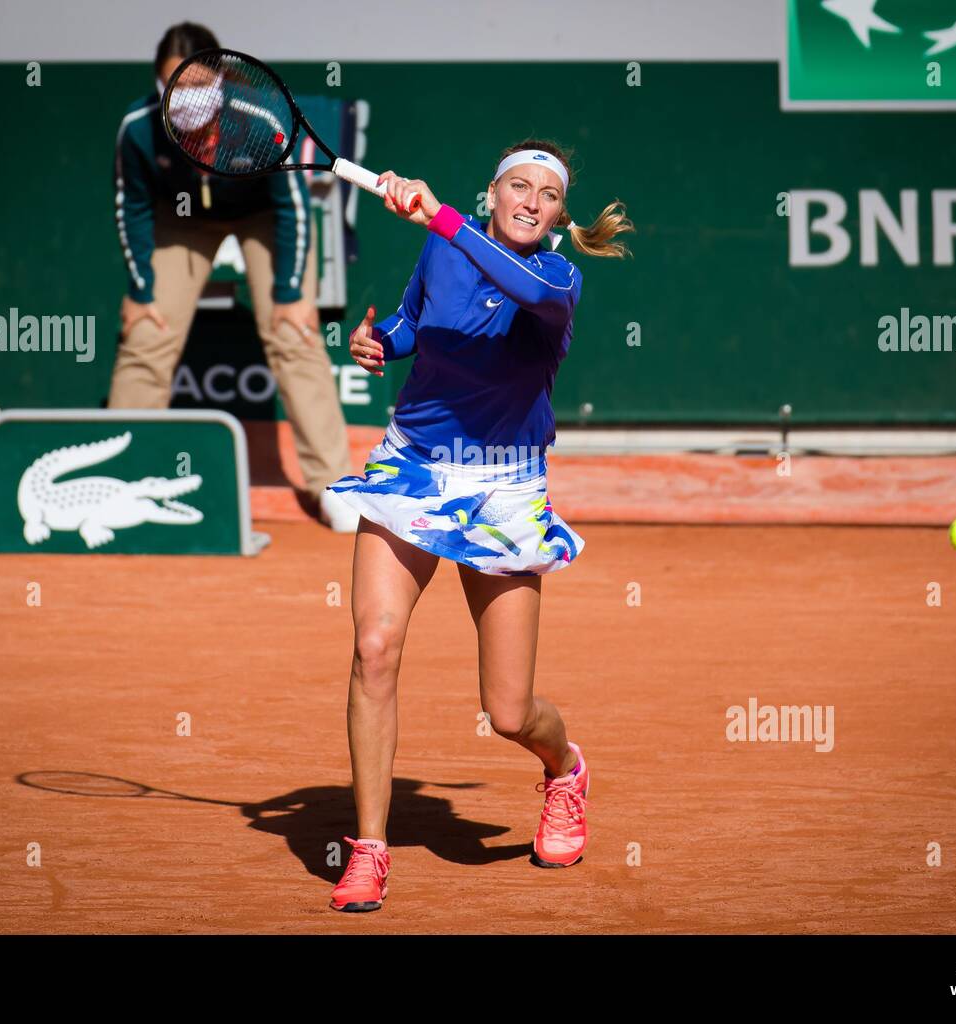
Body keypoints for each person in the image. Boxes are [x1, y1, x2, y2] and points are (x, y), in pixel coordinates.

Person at [323, 139, 633, 911]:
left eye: (547, 195)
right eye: (517, 187)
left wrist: (442, 216)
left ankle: (563, 771)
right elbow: (411, 322)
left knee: (508, 712)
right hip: (414, 469)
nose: (531, 201)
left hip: (504, 491)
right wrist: (379, 343)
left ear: (560, 213)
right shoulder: (442, 248)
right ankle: (368, 850)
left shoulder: (558, 277)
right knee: (374, 647)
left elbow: (516, 282)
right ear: (492, 194)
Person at [110, 22, 359, 531]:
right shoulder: (138, 129)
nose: (185, 98)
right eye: (173, 86)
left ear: (223, 80)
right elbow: (130, 207)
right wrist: (141, 289)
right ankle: (123, 476)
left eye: (199, 85)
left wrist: (291, 293)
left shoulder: (258, 117)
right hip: (180, 220)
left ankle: (332, 484)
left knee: (295, 333)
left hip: (261, 216)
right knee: (145, 331)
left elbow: (291, 207)